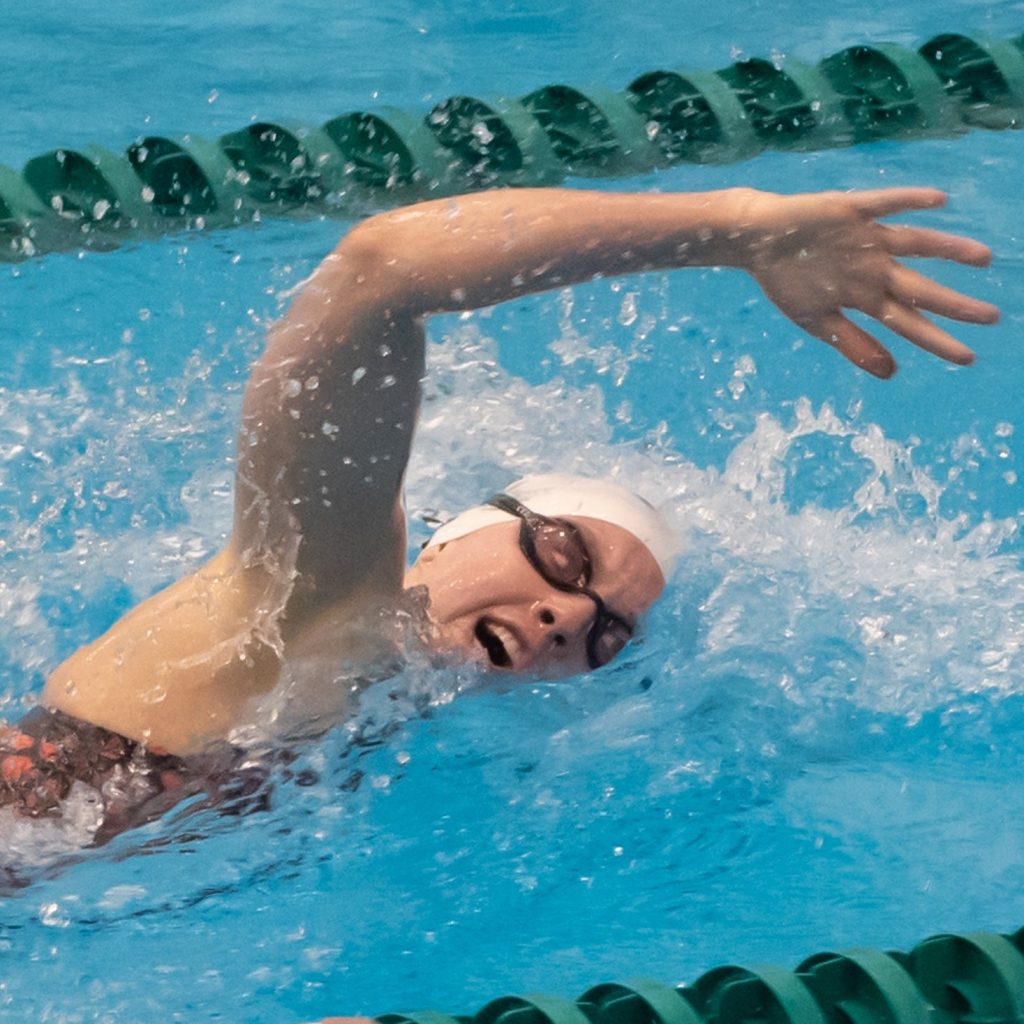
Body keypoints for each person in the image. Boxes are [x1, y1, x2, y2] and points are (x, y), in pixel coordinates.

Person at [0, 185, 998, 834]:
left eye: (605, 634)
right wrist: (736, 229)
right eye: (565, 556)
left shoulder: (367, 710)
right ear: (452, 537)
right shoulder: (320, 597)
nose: (566, 615)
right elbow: (382, 270)